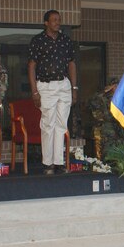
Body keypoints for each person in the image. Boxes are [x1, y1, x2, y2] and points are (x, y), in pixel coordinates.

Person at [28, 9, 78, 175]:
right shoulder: (38, 40)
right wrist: (34, 91)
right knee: (48, 124)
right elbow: (32, 66)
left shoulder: (65, 40)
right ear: (46, 23)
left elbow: (71, 64)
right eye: (54, 20)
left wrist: (74, 88)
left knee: (61, 124)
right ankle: (48, 162)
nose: (58, 22)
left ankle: (59, 161)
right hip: (45, 85)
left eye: (59, 19)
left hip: (63, 85)